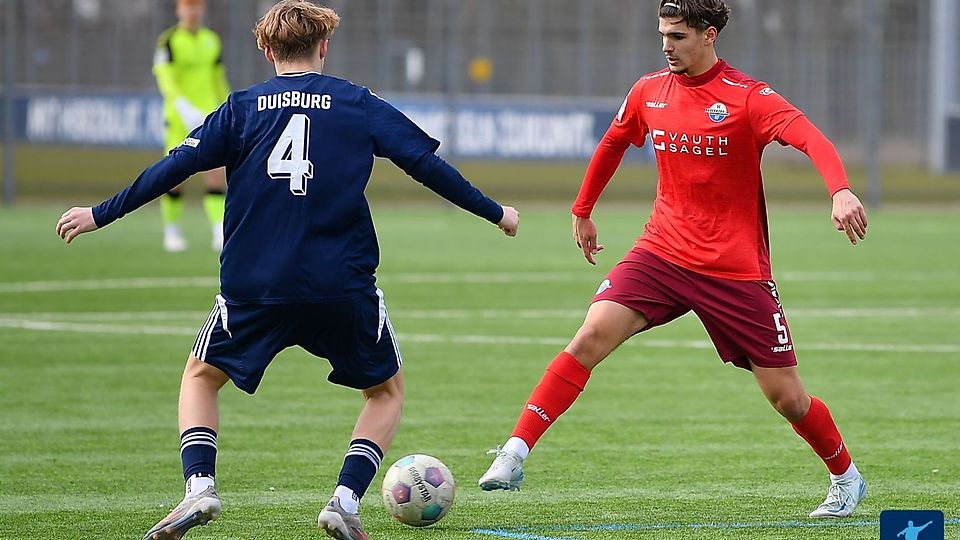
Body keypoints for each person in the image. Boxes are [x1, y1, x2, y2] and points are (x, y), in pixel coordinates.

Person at [57, 2, 520, 539]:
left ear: (266, 49)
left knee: (201, 378)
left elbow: (172, 168)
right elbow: (426, 166)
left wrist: (100, 213)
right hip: (339, 284)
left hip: (256, 284)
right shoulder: (357, 103)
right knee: (386, 392)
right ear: (325, 46)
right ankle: (344, 501)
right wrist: (496, 212)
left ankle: (200, 489)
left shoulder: (239, 109)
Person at [478, 0, 869, 520]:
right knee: (591, 335)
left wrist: (840, 191)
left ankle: (846, 478)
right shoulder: (649, 90)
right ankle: (515, 452)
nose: (667, 45)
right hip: (661, 252)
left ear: (709, 36)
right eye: (663, 34)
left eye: (679, 36)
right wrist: (583, 209)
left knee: (788, 399)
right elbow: (614, 142)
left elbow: (811, 138)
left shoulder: (748, 98)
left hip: (734, 271)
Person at [153, 0, 231, 252]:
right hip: (180, 120)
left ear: (202, 9)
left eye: (196, 6)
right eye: (187, 6)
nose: (192, 11)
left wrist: (227, 104)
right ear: (178, 10)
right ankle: (171, 229)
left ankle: (219, 229)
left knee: (216, 174)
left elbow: (218, 79)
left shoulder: (212, 40)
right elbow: (165, 78)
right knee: (175, 177)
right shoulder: (168, 42)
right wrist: (182, 106)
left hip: (209, 117)